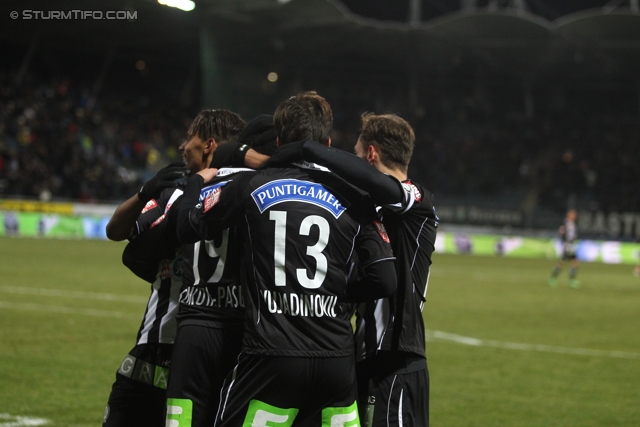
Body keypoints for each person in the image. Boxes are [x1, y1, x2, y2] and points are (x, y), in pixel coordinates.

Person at [176, 91, 398, 426]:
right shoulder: (354, 195)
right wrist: (336, 291)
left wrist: (194, 184)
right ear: (325, 141)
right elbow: (384, 278)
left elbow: (187, 225)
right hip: (336, 360)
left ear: (279, 140)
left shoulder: (249, 186)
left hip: (270, 353)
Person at [267, 112, 438, 427]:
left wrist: (308, 148)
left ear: (371, 154)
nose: (355, 164)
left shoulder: (417, 201)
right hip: (362, 357)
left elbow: (375, 181)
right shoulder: (366, 207)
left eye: (358, 155)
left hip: (395, 359)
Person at [102, 109, 246, 427]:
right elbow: (115, 230)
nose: (182, 146)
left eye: (188, 137)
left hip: (183, 345)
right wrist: (144, 192)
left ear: (209, 144)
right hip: (181, 347)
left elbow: (128, 245)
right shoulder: (244, 191)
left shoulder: (204, 193)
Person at [165, 114, 277, 427]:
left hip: (193, 323)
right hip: (239, 326)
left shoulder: (192, 186)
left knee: (183, 417)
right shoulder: (259, 189)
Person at [549, 209, 579, 289]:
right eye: (572, 214)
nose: (574, 216)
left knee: (574, 262)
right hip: (567, 244)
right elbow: (562, 233)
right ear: (568, 215)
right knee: (563, 262)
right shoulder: (565, 223)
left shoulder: (573, 224)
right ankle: (553, 277)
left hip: (571, 244)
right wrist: (565, 243)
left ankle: (571, 280)